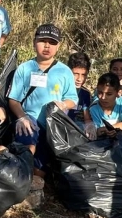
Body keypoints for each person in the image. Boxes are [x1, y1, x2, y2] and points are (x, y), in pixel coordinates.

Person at [8, 24, 77, 178]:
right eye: (42, 41)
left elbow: (73, 98)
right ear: (34, 43)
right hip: (29, 120)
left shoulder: (65, 71)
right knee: (28, 146)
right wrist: (22, 117)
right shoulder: (25, 68)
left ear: (58, 46)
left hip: (53, 126)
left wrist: (64, 104)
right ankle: (20, 177)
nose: (47, 46)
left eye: (52, 42)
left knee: (40, 171)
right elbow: (13, 99)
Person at [84, 72, 122, 137]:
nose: (103, 97)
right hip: (105, 138)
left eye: (109, 94)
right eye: (100, 93)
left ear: (118, 93)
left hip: (120, 134)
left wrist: (111, 128)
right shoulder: (94, 108)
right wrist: (104, 131)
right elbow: (98, 131)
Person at [67, 52, 92, 122]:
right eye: (75, 74)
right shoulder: (59, 90)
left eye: (83, 75)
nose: (79, 79)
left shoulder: (85, 93)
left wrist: (89, 126)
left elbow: (87, 118)